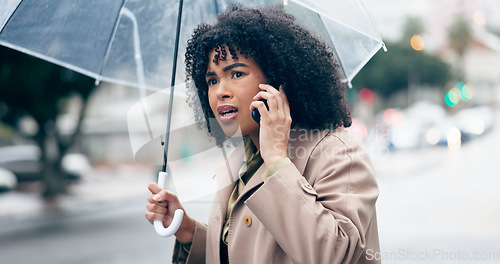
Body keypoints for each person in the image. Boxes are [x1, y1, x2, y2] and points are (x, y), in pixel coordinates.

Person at [145, 4, 380, 264]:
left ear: (278, 80)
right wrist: (188, 231)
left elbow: (333, 255)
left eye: (236, 73)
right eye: (212, 80)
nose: (220, 91)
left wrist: (277, 161)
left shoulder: (337, 153)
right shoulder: (238, 159)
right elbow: (241, 250)